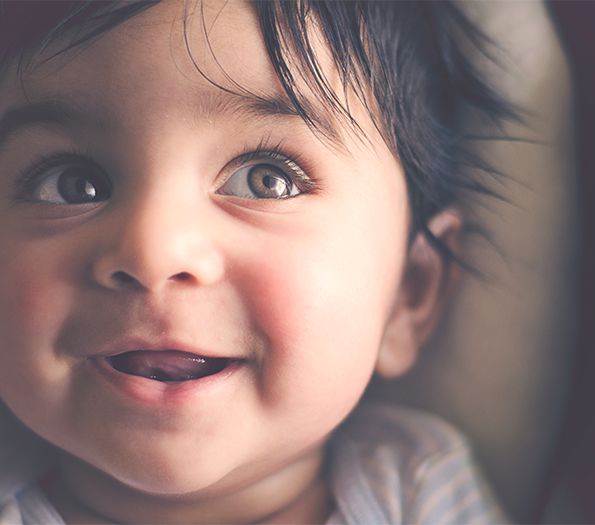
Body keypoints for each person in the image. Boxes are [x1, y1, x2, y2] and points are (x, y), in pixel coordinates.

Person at [0, 1, 511, 523]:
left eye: (267, 179)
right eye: (70, 184)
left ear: (409, 291)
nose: (153, 251)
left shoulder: (416, 488)